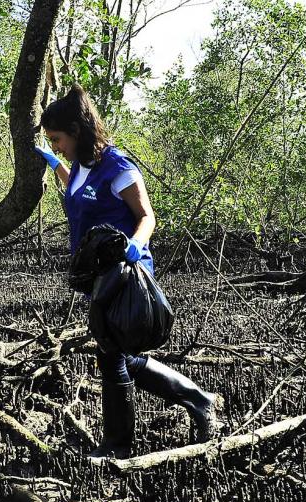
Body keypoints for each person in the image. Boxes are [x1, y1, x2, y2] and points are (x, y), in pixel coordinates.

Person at [34, 84, 218, 459]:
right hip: (97, 277)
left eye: (57, 140)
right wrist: (58, 168)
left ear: (77, 131)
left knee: (111, 354)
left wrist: (136, 244)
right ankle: (200, 399)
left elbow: (147, 216)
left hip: (125, 275)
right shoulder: (83, 166)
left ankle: (118, 447)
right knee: (119, 353)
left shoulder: (118, 166)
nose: (55, 146)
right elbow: (81, 195)